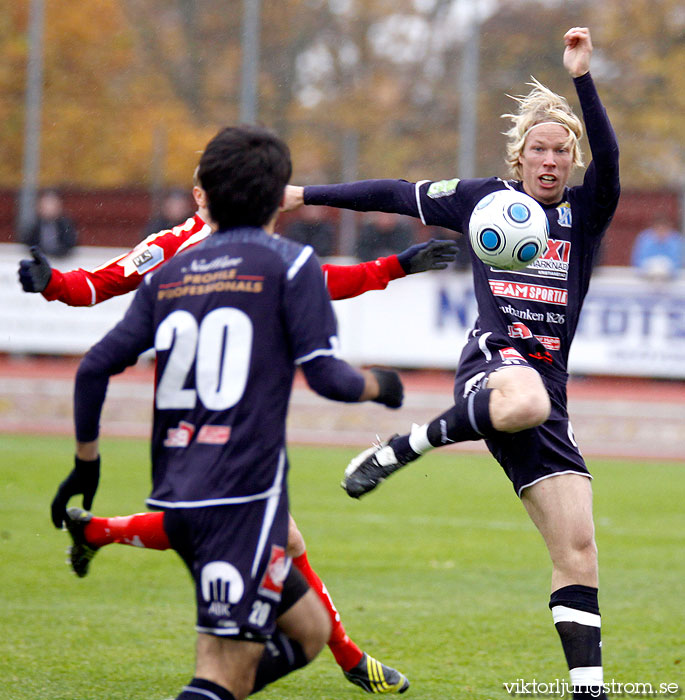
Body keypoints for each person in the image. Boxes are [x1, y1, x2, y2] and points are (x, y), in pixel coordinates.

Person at [22, 168, 456, 697]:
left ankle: (96, 532)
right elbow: (98, 284)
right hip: (208, 425)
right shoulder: (171, 248)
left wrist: (396, 265)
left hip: (233, 427)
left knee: (248, 535)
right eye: (207, 186)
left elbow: (323, 283)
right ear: (199, 194)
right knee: (272, 554)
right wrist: (51, 283)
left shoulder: (264, 247)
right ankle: (343, 659)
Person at [283, 27, 620, 700]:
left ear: (571, 160)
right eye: (538, 149)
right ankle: (404, 446)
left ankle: (589, 690)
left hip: (547, 386)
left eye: (561, 150)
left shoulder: (585, 212)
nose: (549, 160)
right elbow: (392, 192)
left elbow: (611, 159)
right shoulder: (483, 200)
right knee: (523, 400)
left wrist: (581, 78)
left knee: (577, 550)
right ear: (519, 157)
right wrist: (301, 194)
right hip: (492, 368)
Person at [19, 189, 78, 258]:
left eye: (51, 205)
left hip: (62, 263)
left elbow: (70, 243)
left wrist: (57, 253)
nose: (48, 208)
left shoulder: (65, 225)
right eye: (45, 205)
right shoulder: (35, 225)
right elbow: (27, 242)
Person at [630, 214, 683, 281]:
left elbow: (679, 261)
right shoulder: (645, 239)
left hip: (671, 280)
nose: (661, 231)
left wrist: (667, 269)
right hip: (646, 278)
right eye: (659, 228)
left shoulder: (676, 240)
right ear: (654, 228)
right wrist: (649, 268)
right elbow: (637, 259)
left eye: (663, 229)